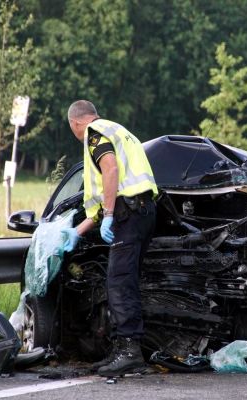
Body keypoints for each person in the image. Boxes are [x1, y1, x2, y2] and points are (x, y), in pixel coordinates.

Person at [62, 100, 158, 377]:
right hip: (143, 210)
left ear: (75, 123)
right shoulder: (119, 130)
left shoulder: (94, 133)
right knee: (126, 281)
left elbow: (111, 169)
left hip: (128, 213)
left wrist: (109, 214)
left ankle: (129, 352)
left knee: (118, 282)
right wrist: (78, 231)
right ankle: (123, 349)